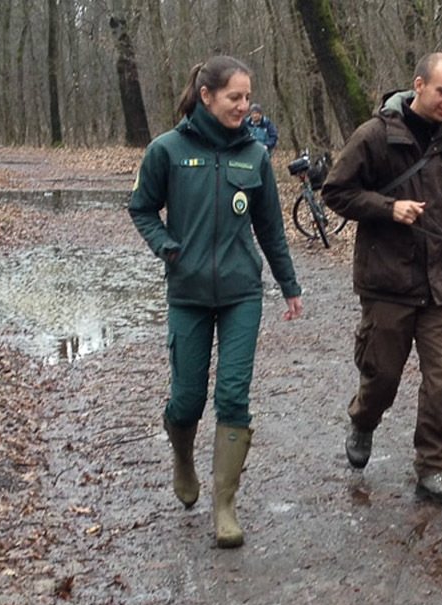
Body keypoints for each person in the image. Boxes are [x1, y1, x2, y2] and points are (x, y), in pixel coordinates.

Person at [128, 56, 303, 548]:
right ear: (207, 96)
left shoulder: (255, 155)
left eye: (248, 98)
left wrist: (288, 285)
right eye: (235, 98)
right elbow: (141, 207)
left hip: (241, 293)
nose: (245, 107)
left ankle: (224, 505)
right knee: (187, 398)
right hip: (187, 293)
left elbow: (270, 227)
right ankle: (183, 458)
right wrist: (164, 244)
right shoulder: (167, 150)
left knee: (233, 394)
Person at [322, 52, 442, 507]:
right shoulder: (376, 135)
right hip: (387, 283)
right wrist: (387, 208)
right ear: (418, 86)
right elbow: (335, 191)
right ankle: (363, 420)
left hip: (441, 284)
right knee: (382, 378)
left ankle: (433, 468)